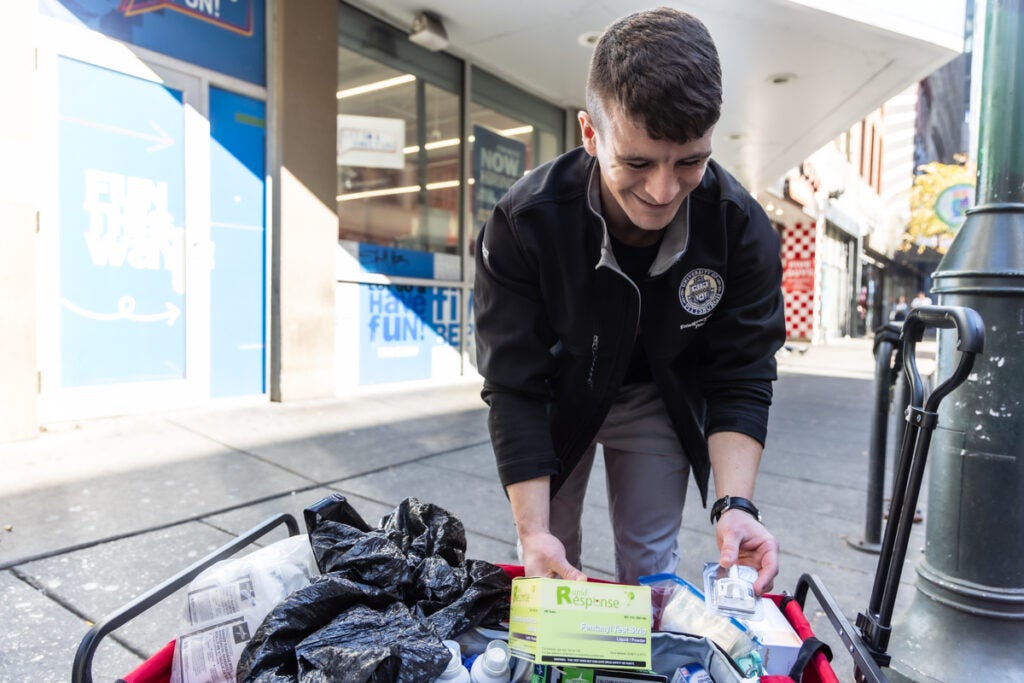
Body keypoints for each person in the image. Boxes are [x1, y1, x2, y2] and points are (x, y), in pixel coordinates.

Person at [473, 8, 784, 594]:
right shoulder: (524, 222)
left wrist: (736, 505)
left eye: (690, 161)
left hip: (657, 399)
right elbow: (513, 381)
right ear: (591, 135)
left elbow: (742, 372)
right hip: (556, 393)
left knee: (650, 565)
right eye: (637, 162)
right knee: (550, 553)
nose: (663, 190)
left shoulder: (741, 229)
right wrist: (531, 531)